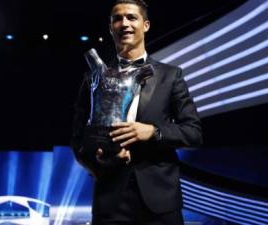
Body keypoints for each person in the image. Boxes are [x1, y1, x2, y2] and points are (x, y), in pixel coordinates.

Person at [71, 0, 203, 224]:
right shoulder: (92, 78)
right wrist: (99, 161)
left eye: (132, 17)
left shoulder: (171, 76)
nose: (124, 23)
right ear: (110, 27)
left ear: (146, 25)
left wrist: (153, 132)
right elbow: (78, 140)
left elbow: (193, 133)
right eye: (117, 18)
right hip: (110, 201)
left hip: (161, 202)